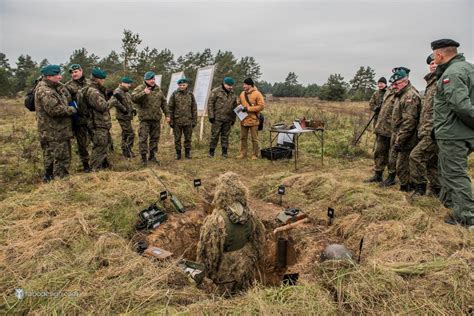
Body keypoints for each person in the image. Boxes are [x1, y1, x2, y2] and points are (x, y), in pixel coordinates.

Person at [196, 172, 265, 295]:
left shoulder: (216, 220)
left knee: (224, 297)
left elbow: (208, 254)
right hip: (245, 266)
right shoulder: (251, 215)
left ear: (220, 194)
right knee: (243, 294)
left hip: (225, 271)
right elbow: (258, 242)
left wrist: (207, 273)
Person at [431, 38, 474, 227]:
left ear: (440, 54)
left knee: (455, 174)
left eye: (434, 55)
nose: (434, 58)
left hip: (454, 133)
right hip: (461, 131)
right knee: (448, 171)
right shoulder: (468, 68)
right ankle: (451, 204)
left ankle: (466, 218)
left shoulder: (452, 73)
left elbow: (460, 106)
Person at [35, 65, 77, 181]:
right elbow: (54, 110)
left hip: (56, 130)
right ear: (49, 76)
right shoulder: (45, 91)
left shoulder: (53, 87)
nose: (60, 77)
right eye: (57, 75)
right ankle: (61, 182)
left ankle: (50, 179)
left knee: (51, 157)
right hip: (54, 132)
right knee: (61, 158)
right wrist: (72, 109)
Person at [408, 54, 440, 196]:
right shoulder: (431, 83)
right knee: (432, 162)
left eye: (435, 62)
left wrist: (435, 128)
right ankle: (436, 190)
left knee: (415, 156)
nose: (433, 65)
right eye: (430, 63)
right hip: (426, 130)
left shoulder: (442, 81)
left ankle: (420, 188)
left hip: (434, 131)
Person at [390, 68, 422, 192]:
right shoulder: (401, 95)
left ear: (405, 81)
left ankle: (407, 188)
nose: (393, 86)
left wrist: (400, 141)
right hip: (400, 135)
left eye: (396, 84)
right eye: (392, 84)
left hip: (407, 138)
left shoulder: (410, 96)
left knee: (402, 165)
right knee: (401, 164)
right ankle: (406, 186)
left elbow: (409, 123)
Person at [131, 71, 170, 165]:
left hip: (156, 119)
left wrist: (167, 115)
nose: (152, 81)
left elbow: (164, 103)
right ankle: (143, 158)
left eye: (153, 79)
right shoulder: (140, 88)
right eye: (150, 79)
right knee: (143, 138)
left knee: (155, 138)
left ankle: (152, 156)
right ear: (145, 80)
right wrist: (144, 93)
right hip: (145, 119)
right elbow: (133, 98)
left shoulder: (158, 89)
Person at [365, 85, 396, 183]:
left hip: (393, 130)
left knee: (392, 154)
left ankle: (391, 177)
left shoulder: (401, 93)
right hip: (382, 129)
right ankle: (378, 174)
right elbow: (373, 104)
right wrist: (376, 108)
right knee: (379, 151)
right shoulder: (386, 92)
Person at [65, 64, 92, 172]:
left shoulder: (90, 83)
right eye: (72, 73)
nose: (74, 74)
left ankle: (101, 160)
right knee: (82, 143)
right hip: (79, 117)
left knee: (98, 139)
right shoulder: (68, 86)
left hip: (92, 116)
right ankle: (86, 164)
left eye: (75, 72)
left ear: (81, 71)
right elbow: (67, 101)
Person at [84, 68, 112, 171]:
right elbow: (102, 107)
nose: (104, 81)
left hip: (99, 123)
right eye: (102, 79)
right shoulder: (93, 91)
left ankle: (102, 166)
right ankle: (95, 169)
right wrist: (112, 101)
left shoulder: (94, 89)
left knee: (103, 145)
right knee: (99, 147)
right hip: (97, 123)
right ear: (97, 79)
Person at [207, 77, 238, 158]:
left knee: (225, 136)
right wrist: (211, 116)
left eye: (231, 85)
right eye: (229, 85)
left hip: (228, 119)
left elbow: (235, 107)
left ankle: (224, 153)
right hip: (217, 118)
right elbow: (210, 103)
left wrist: (233, 119)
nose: (230, 87)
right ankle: (211, 152)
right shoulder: (216, 91)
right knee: (215, 136)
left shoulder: (233, 93)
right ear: (224, 84)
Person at [168, 78, 197, 160]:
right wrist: (171, 121)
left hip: (188, 121)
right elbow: (170, 108)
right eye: (180, 85)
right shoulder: (174, 94)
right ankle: (178, 154)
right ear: (178, 85)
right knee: (177, 139)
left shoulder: (190, 95)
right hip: (177, 121)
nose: (182, 86)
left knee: (188, 138)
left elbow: (194, 108)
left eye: (183, 85)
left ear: (187, 85)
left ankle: (187, 153)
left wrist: (194, 120)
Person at [109, 76, 136, 158]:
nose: (129, 85)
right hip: (122, 116)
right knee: (130, 134)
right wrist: (124, 109)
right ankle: (128, 150)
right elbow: (115, 102)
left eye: (130, 83)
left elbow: (129, 103)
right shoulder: (118, 91)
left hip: (127, 116)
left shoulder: (126, 92)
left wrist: (133, 109)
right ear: (122, 83)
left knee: (125, 134)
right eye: (128, 83)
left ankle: (125, 151)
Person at [238, 78, 265, 159]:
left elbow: (261, 106)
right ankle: (243, 154)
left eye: (245, 84)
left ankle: (255, 155)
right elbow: (239, 104)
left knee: (254, 139)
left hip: (254, 120)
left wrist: (248, 109)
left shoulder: (257, 94)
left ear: (250, 85)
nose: (244, 86)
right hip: (243, 120)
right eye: (243, 84)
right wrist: (238, 108)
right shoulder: (242, 94)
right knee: (243, 138)